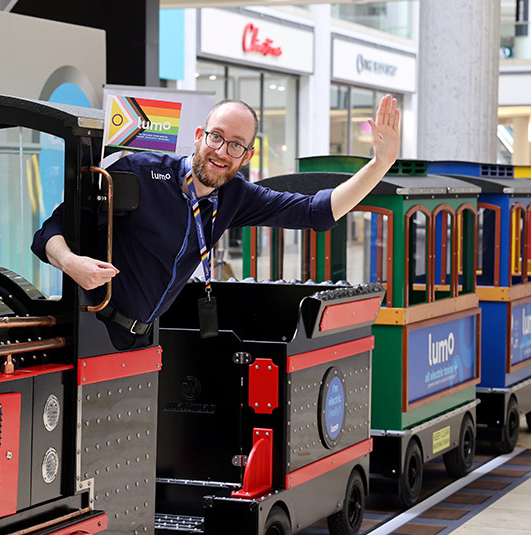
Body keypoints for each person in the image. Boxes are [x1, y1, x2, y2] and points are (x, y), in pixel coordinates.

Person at [31, 95, 400, 348]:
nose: (222, 152)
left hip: (146, 338)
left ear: (247, 155)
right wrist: (70, 262)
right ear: (198, 137)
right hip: (92, 330)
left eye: (236, 145)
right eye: (216, 137)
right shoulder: (137, 172)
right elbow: (51, 229)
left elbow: (316, 211)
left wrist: (380, 163)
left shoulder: (236, 197)